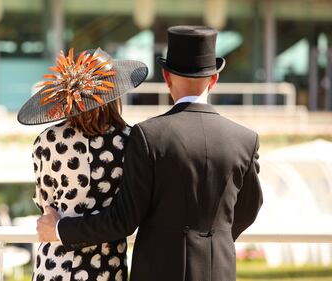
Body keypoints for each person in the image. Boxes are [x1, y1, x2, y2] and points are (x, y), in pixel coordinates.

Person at [37, 26, 263, 281]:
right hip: (218, 270)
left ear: (167, 77)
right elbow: (249, 208)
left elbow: (124, 218)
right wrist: (215, 237)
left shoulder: (148, 136)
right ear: (214, 79)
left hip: (157, 270)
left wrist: (59, 229)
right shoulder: (246, 140)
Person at [18, 47, 148, 281]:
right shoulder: (130, 141)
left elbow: (46, 206)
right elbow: (129, 213)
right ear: (112, 95)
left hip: (54, 266)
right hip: (106, 268)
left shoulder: (47, 141)